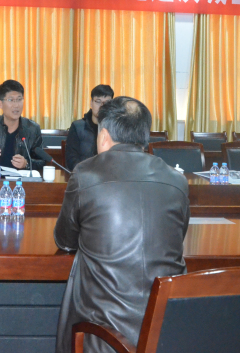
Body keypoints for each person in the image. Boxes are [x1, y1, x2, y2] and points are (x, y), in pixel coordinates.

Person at [54, 96, 190, 353]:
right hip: (167, 330)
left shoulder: (85, 174)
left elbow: (65, 240)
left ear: (104, 136)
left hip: (104, 336)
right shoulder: (177, 180)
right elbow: (177, 237)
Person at [65, 84, 114, 171]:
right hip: (83, 175)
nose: (102, 106)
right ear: (91, 103)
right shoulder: (77, 127)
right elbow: (71, 159)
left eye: (106, 103)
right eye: (98, 101)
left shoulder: (116, 129)